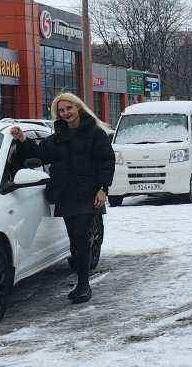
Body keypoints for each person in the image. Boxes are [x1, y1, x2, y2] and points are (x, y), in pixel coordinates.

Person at [8, 92, 114, 304]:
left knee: (81, 237)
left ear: (78, 108)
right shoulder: (57, 136)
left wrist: (103, 189)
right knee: (74, 240)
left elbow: (106, 162)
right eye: (61, 111)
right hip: (66, 193)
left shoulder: (95, 133)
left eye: (69, 109)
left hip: (89, 193)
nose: (66, 113)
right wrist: (22, 140)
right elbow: (40, 154)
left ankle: (84, 285)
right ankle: (81, 282)